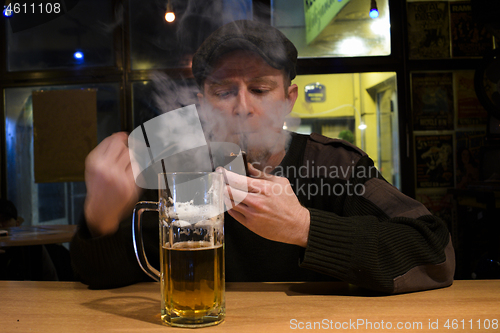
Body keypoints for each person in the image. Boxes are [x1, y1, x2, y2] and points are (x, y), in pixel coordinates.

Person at [70, 20, 454, 293]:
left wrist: (304, 227)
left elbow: (434, 252)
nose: (242, 107)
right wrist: (100, 219)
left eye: (260, 88)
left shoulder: (333, 165)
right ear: (201, 102)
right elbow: (101, 277)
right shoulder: (176, 169)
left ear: (289, 99)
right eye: (223, 91)